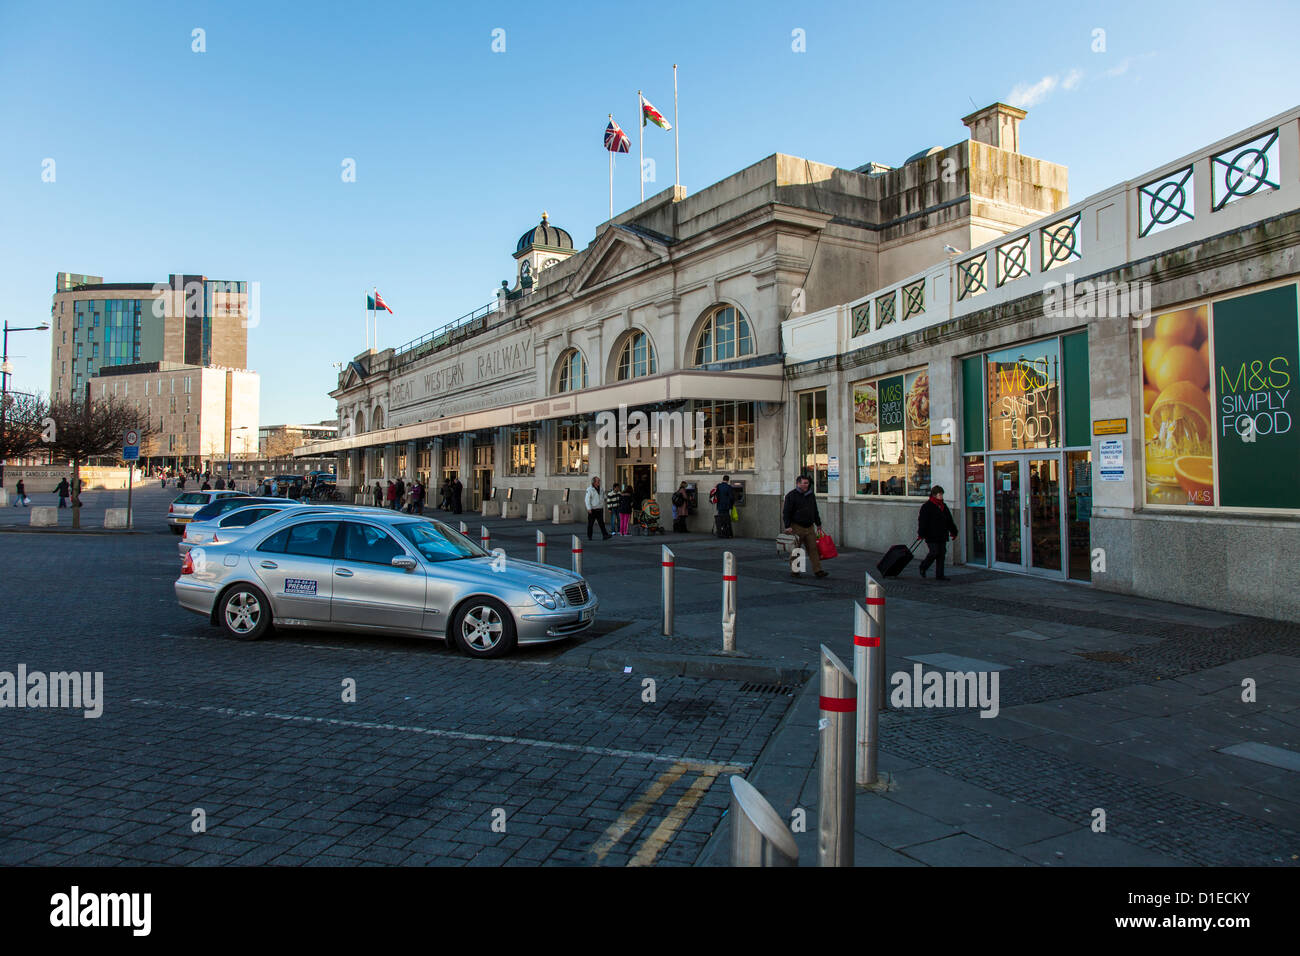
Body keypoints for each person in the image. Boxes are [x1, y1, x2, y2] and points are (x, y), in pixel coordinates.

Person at [783, 473, 828, 578]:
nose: (806, 485)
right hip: (796, 526)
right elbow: (786, 512)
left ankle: (818, 570)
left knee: (813, 549)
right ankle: (795, 570)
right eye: (804, 483)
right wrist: (788, 526)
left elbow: (814, 510)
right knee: (796, 549)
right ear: (798, 484)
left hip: (810, 526)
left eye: (807, 483)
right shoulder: (791, 495)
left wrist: (818, 523)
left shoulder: (811, 495)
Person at [917, 484, 959, 581]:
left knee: (941, 554)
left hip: (942, 534)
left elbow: (949, 520)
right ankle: (923, 566)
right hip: (931, 534)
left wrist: (953, 531)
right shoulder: (927, 506)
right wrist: (921, 534)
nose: (941, 496)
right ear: (934, 495)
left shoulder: (943, 506)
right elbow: (922, 521)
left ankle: (940, 575)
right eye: (940, 494)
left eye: (942, 494)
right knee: (934, 552)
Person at [585, 476, 612, 540]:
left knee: (601, 523)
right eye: (598, 481)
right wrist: (588, 508)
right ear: (594, 482)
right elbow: (587, 499)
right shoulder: (590, 489)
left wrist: (608, 496)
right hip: (593, 509)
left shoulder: (601, 489)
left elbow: (604, 496)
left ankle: (605, 535)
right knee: (590, 524)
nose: (599, 482)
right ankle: (589, 536)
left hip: (600, 509)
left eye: (599, 481)